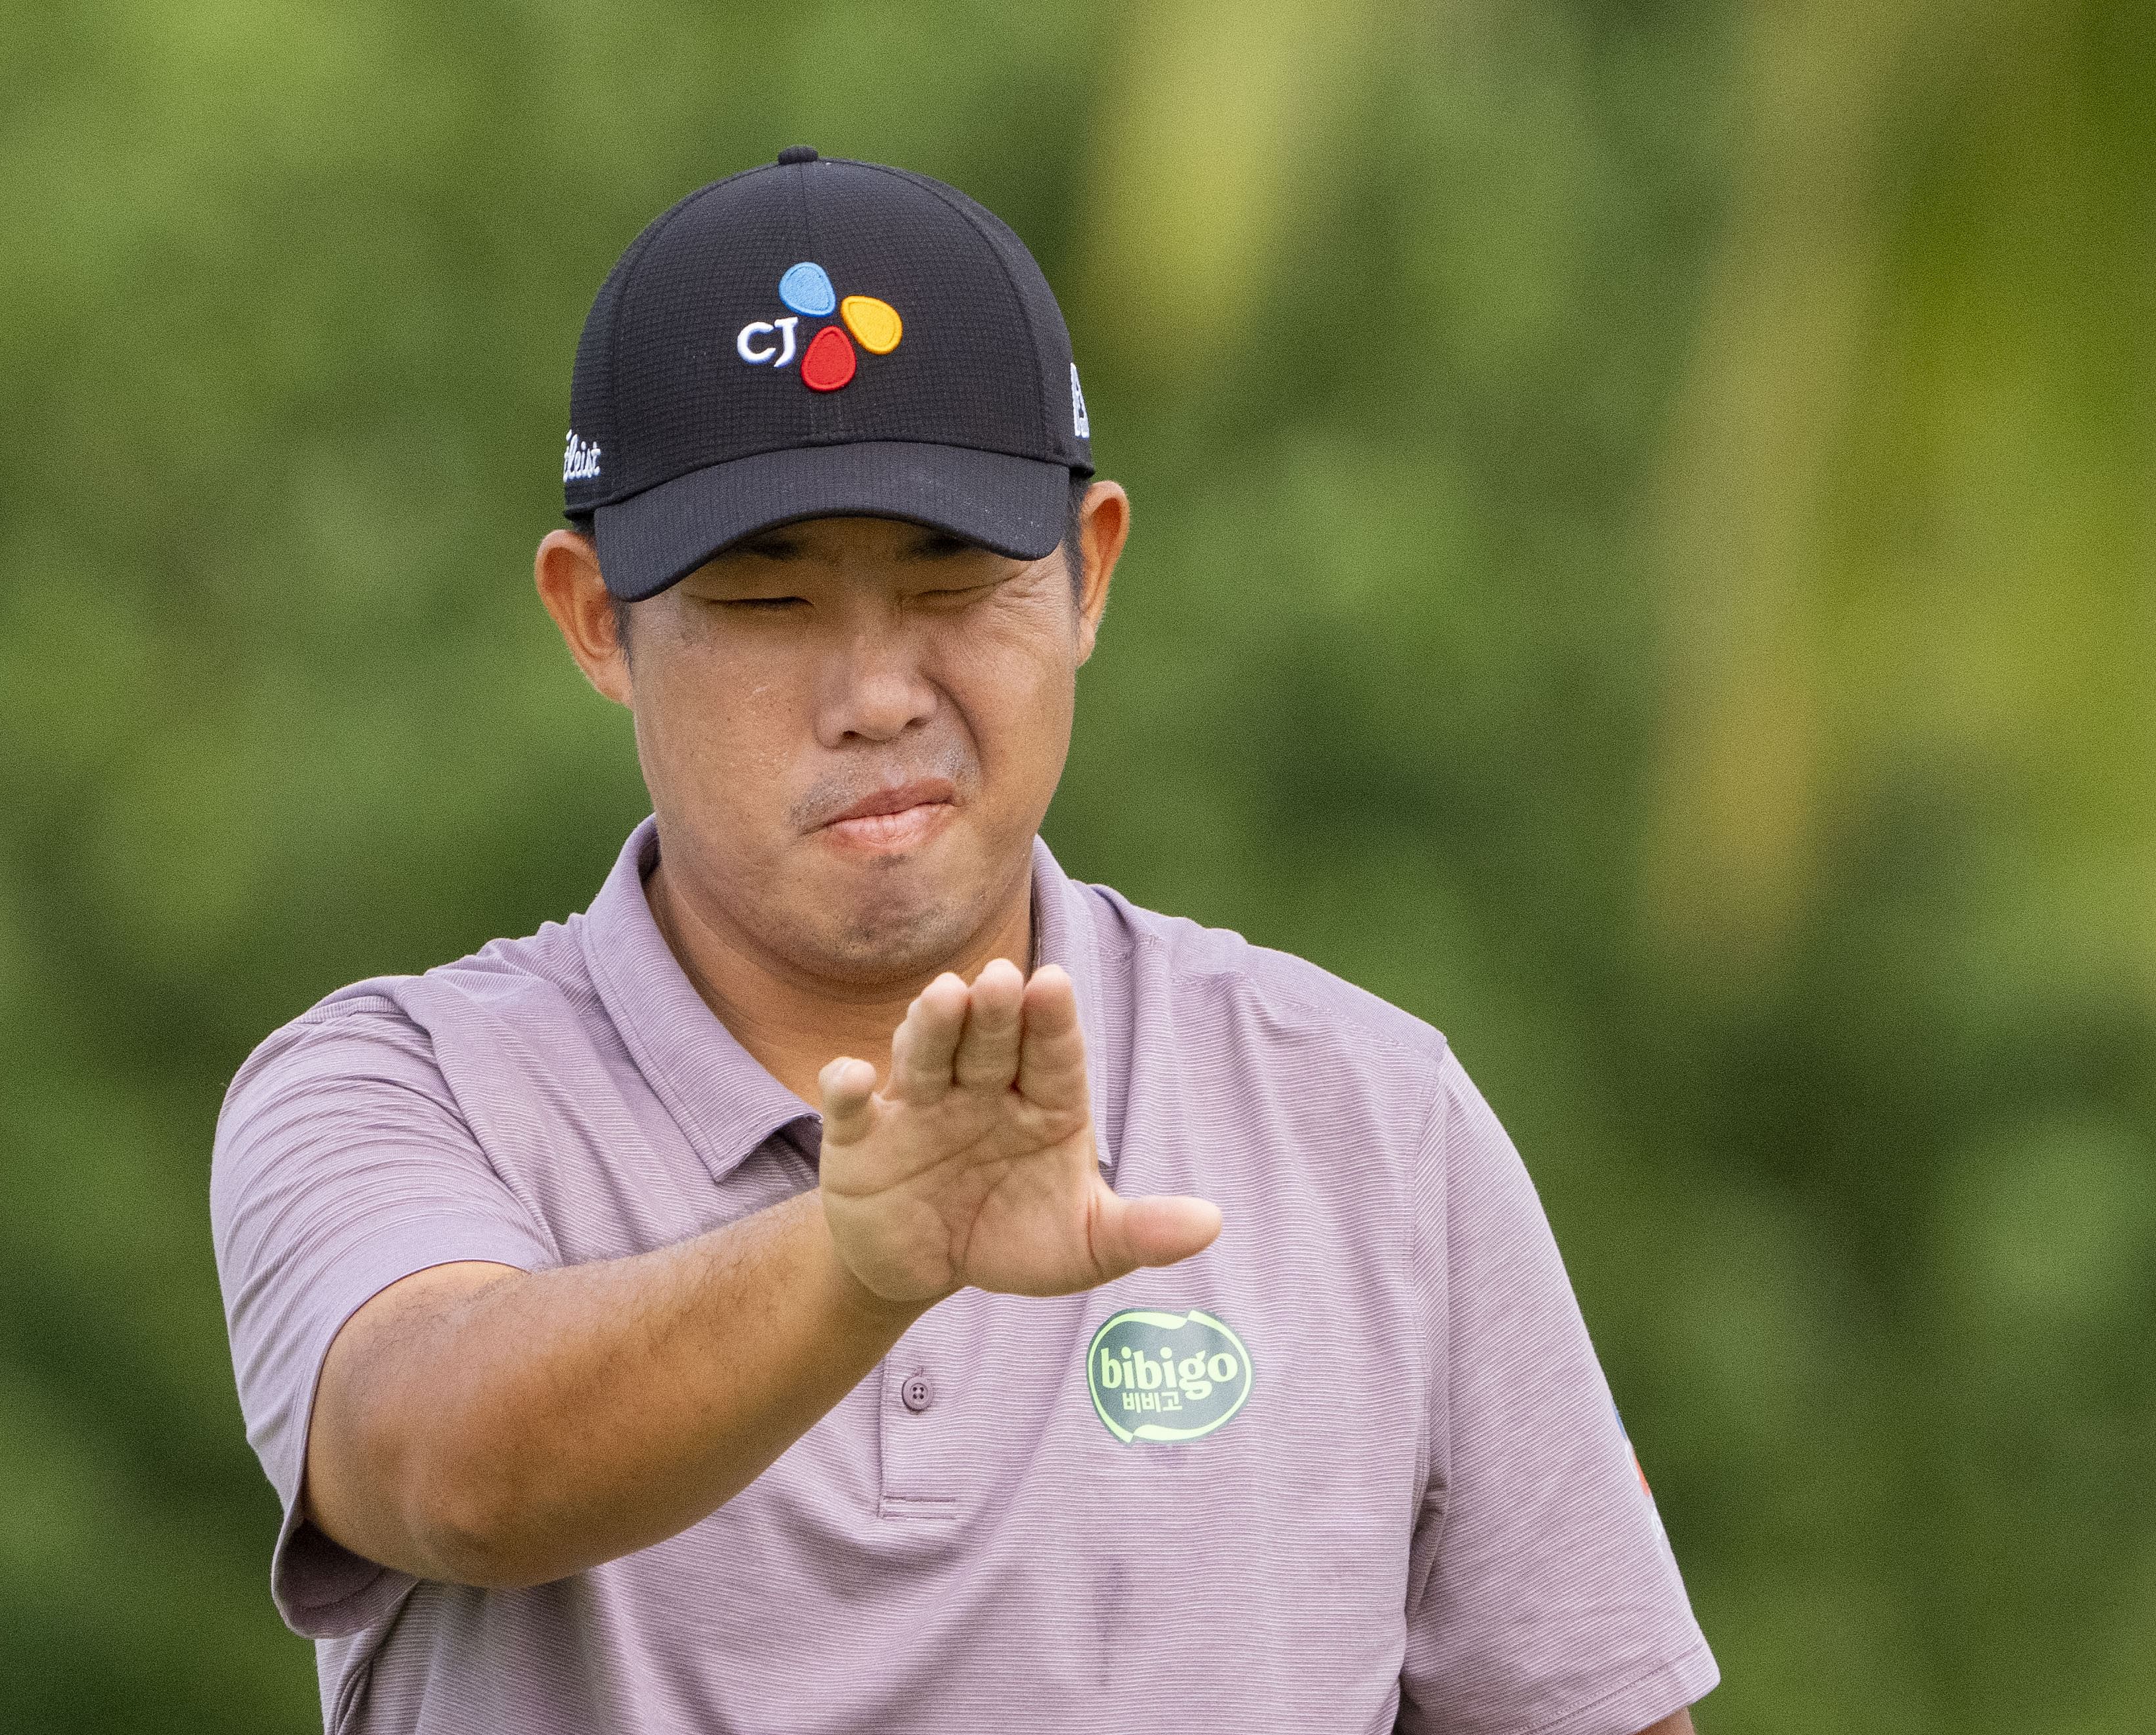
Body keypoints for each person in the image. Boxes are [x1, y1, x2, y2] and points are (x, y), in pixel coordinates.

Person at [210, 147, 1719, 1734]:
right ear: (596, 617)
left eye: (953, 579)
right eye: (764, 601)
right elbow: (447, 1466)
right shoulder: (391, 1085)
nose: (876, 690)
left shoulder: (1367, 1113)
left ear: (1090, 573)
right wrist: (859, 1262)